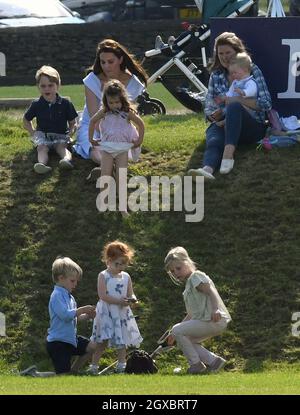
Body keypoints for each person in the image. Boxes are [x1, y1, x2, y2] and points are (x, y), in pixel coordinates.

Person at [188, 31, 272, 179]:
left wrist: (238, 101)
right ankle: (207, 170)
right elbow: (209, 104)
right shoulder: (216, 75)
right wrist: (213, 116)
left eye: (228, 52)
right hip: (223, 124)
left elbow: (266, 104)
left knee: (234, 106)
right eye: (221, 54)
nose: (225, 57)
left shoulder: (252, 70)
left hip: (252, 127)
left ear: (238, 52)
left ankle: (228, 156)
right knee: (214, 139)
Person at [73, 39, 147, 172]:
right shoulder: (92, 80)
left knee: (122, 150)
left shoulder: (134, 83)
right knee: (96, 148)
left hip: (121, 129)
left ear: (120, 59)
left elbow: (131, 114)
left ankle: (111, 170)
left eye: (110, 62)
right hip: (94, 126)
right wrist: (106, 138)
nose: (106, 66)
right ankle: (106, 168)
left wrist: (121, 136)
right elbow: (93, 116)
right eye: (103, 62)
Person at [164, 247, 231, 375]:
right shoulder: (189, 286)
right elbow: (191, 314)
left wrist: (216, 309)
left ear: (188, 262)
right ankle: (214, 362)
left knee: (178, 330)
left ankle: (196, 364)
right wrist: (174, 333)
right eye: (172, 271)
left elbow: (210, 291)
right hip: (207, 320)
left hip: (214, 319)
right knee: (185, 338)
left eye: (178, 268)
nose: (176, 273)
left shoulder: (196, 276)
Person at [89, 79, 145, 217]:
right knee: (105, 174)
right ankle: (105, 203)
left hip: (122, 149)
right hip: (108, 148)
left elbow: (141, 124)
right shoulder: (104, 112)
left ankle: (123, 207)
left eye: (117, 102)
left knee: (121, 176)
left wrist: (139, 139)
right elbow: (92, 121)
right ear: (106, 101)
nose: (114, 105)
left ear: (123, 99)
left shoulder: (127, 112)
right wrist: (91, 138)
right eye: (111, 102)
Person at [87, 241, 143, 375]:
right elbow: (103, 295)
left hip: (121, 312)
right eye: (117, 264)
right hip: (106, 312)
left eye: (124, 263)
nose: (121, 267)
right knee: (102, 340)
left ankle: (121, 365)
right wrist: (119, 301)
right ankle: (94, 367)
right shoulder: (103, 276)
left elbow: (130, 293)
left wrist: (132, 300)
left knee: (122, 339)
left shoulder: (126, 277)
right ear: (108, 261)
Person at [46, 256, 97, 375]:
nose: (75, 284)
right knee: (62, 376)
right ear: (61, 278)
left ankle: (74, 371)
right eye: (72, 281)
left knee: (92, 347)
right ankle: (33, 375)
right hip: (58, 343)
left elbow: (75, 318)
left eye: (76, 281)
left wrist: (88, 315)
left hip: (71, 339)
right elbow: (65, 316)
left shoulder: (70, 297)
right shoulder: (56, 295)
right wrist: (82, 309)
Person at [23, 65, 77, 174]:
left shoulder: (65, 103)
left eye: (50, 85)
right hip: (43, 135)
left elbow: (72, 122)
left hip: (61, 134)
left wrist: (70, 133)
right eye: (43, 86)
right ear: (38, 87)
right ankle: (42, 165)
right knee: (41, 148)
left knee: (61, 148)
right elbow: (26, 119)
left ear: (58, 86)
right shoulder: (36, 104)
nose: (47, 89)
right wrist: (33, 132)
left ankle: (66, 161)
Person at [214, 52, 258, 127]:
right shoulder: (235, 82)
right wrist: (223, 98)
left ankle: (226, 122)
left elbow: (253, 91)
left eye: (235, 72)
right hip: (235, 107)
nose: (232, 75)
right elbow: (230, 92)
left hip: (249, 110)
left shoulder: (250, 81)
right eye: (231, 73)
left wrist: (244, 92)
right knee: (231, 108)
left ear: (245, 70)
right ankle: (226, 121)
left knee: (237, 107)